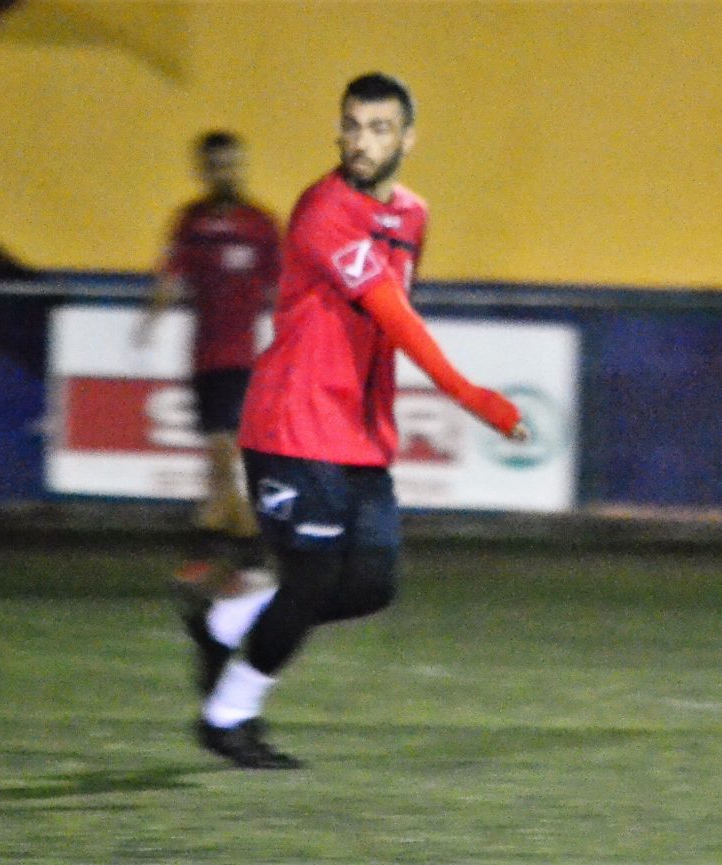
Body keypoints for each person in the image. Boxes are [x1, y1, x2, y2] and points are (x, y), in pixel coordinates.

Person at [182, 73, 528, 769]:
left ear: (407, 139)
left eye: (378, 128)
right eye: (352, 126)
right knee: (311, 579)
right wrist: (471, 396)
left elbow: (389, 319)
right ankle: (228, 716)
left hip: (361, 436)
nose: (361, 141)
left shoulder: (414, 215)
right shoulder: (324, 210)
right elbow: (396, 317)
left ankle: (228, 617)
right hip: (294, 425)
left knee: (372, 585)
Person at [136, 130, 282, 593]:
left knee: (222, 461)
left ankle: (228, 557)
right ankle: (225, 555)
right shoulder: (190, 223)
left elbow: (282, 289)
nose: (226, 173)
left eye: (232, 164)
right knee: (218, 468)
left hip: (243, 361)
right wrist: (150, 319)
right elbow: (170, 275)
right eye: (217, 166)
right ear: (203, 171)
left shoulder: (260, 224)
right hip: (203, 360)